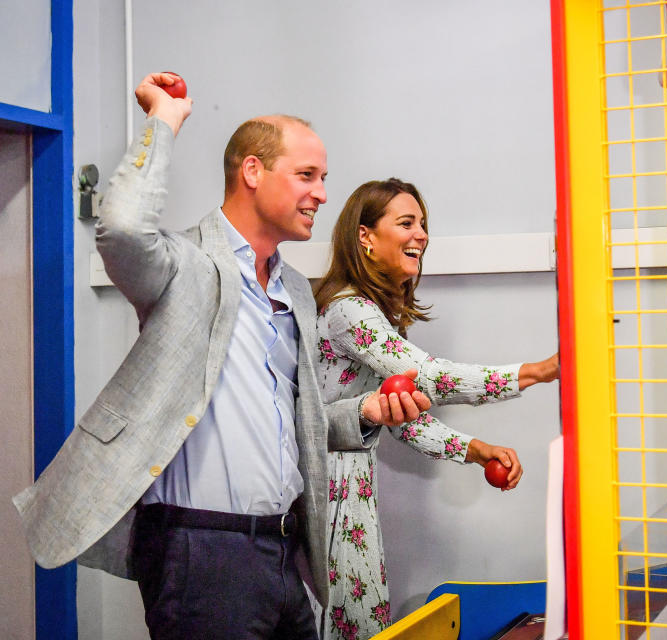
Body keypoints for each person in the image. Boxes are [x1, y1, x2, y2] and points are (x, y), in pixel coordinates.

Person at [13, 73, 430, 640]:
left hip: (285, 551)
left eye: (324, 178)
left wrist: (365, 415)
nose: (323, 193)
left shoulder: (296, 293)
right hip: (201, 553)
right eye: (306, 175)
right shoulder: (184, 265)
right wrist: (163, 119)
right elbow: (122, 228)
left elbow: (288, 420)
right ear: (252, 172)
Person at [313, 178, 559, 639]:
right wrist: (537, 371)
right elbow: (429, 376)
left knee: (361, 620)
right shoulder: (349, 311)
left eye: (422, 224)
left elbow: (400, 416)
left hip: (350, 488)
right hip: (323, 488)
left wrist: (474, 449)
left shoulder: (374, 313)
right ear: (365, 236)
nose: (421, 234)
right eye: (406, 222)